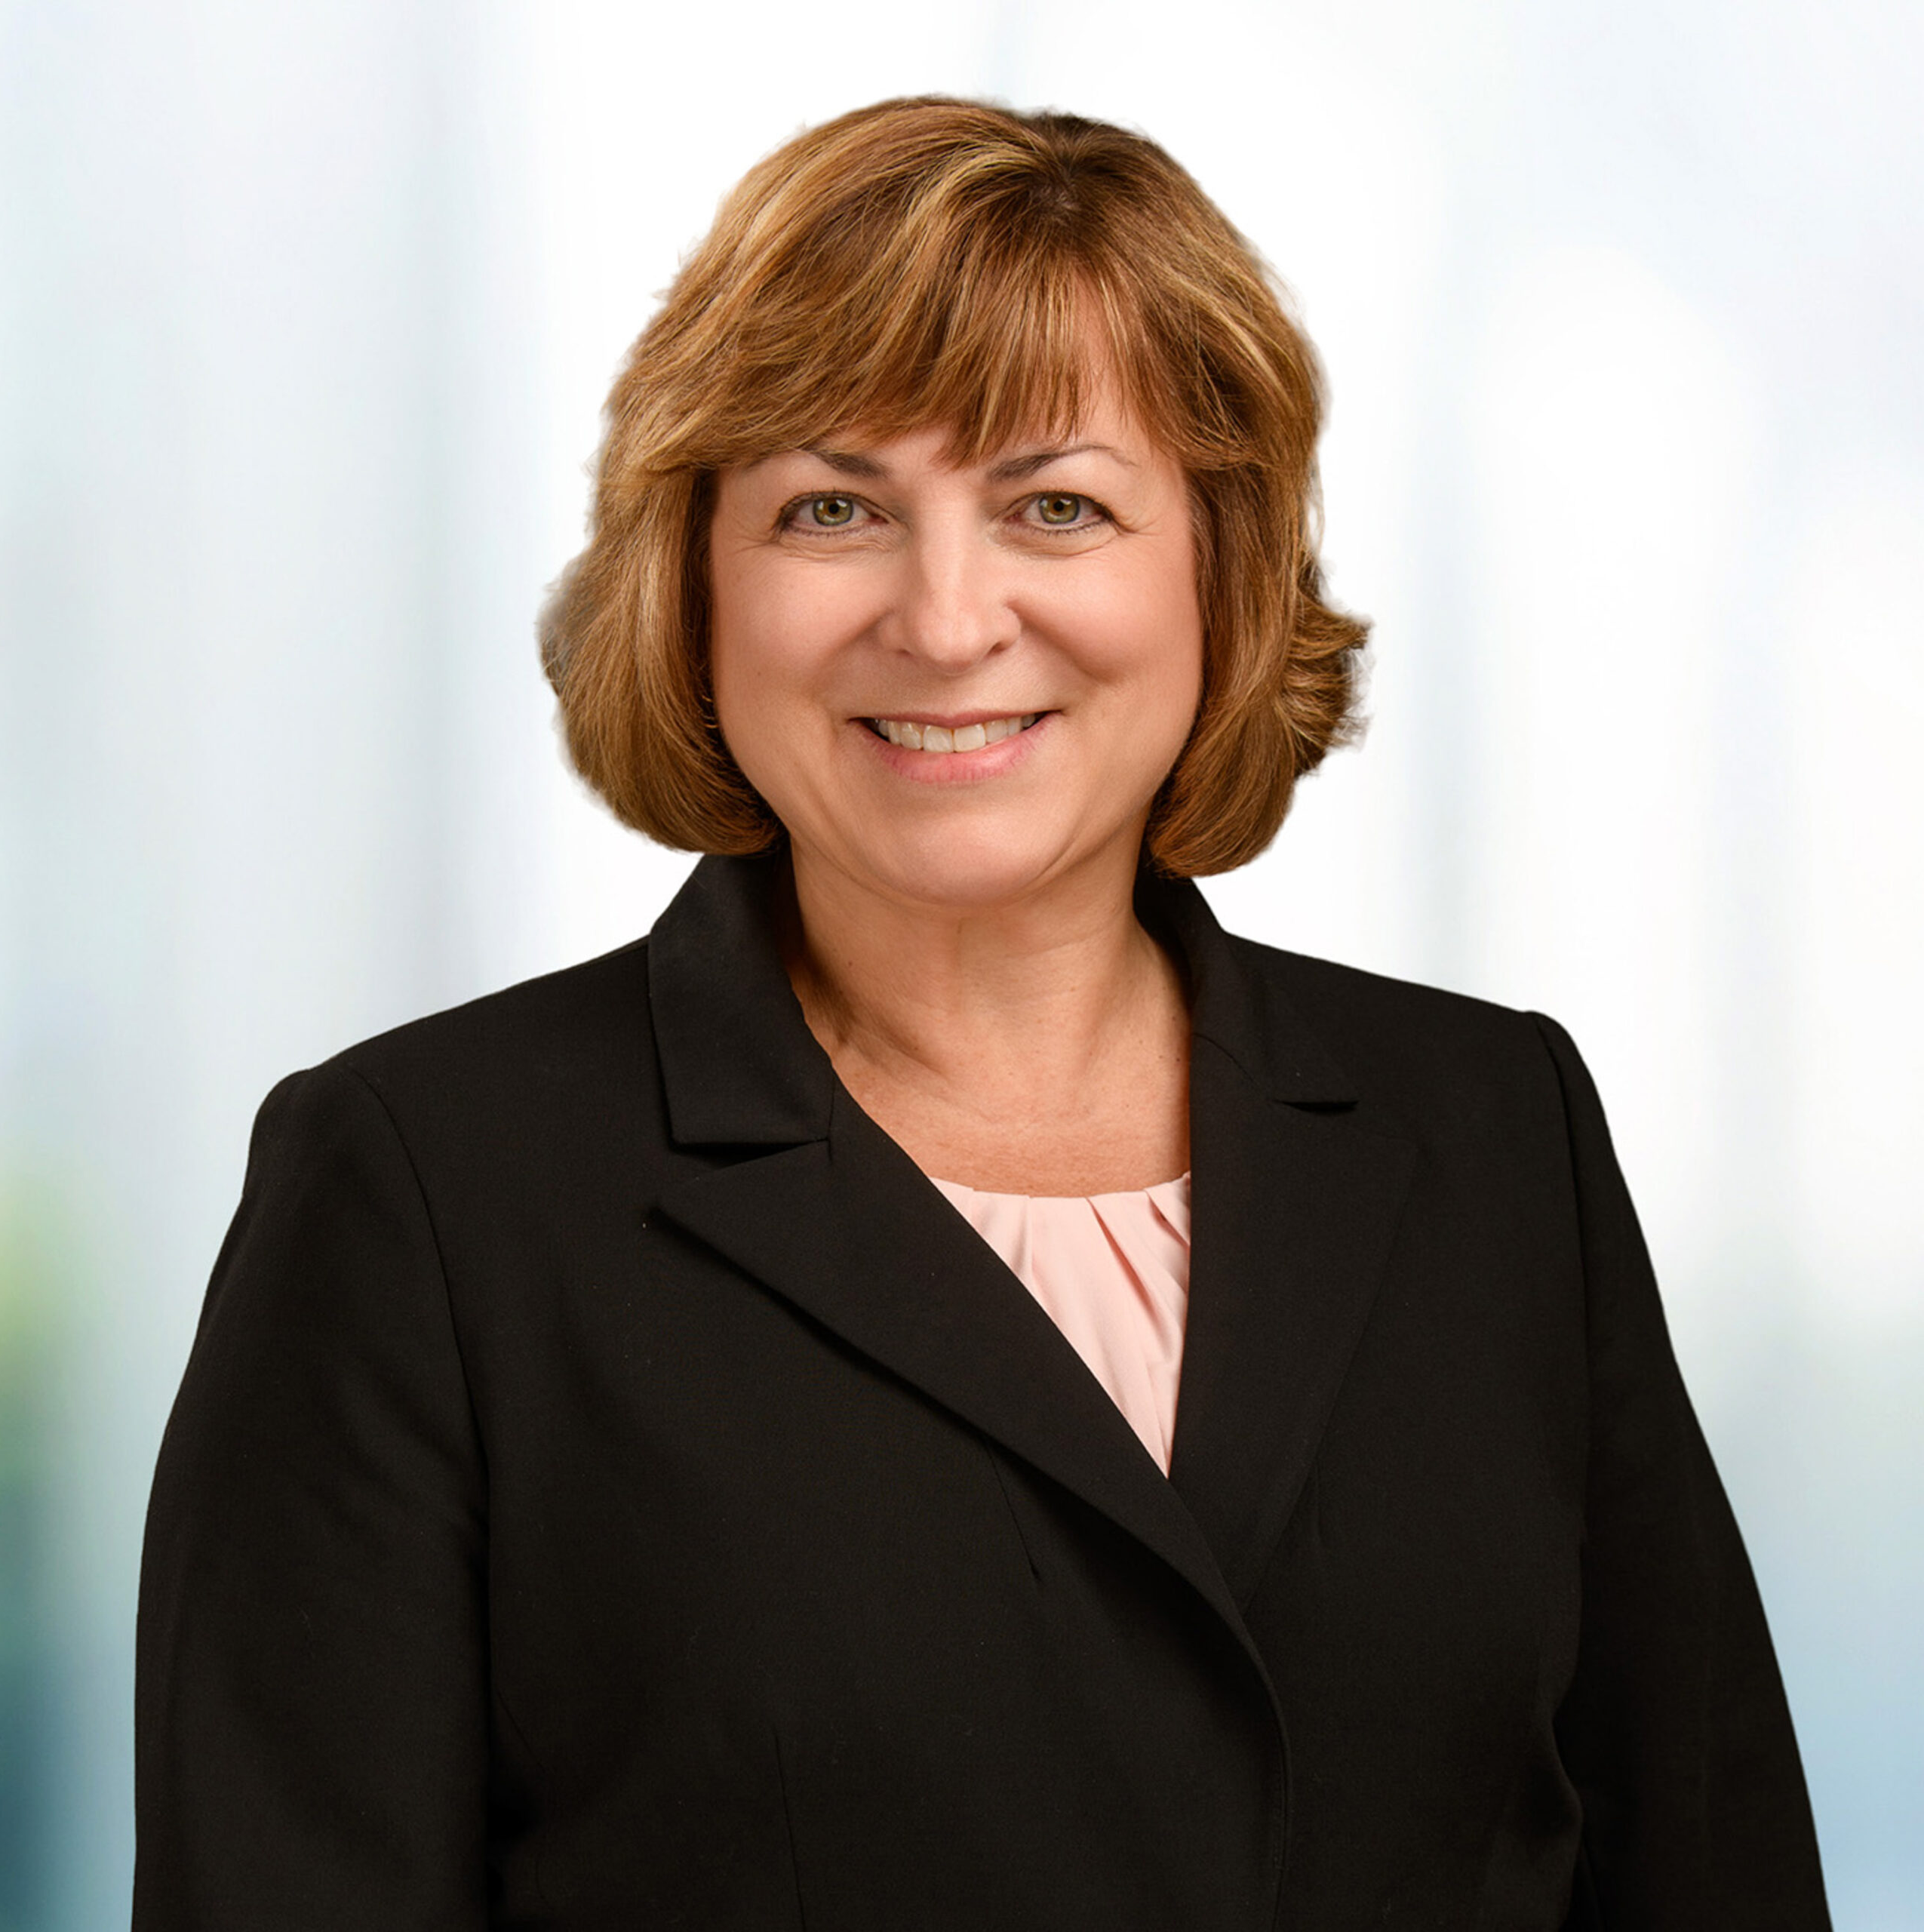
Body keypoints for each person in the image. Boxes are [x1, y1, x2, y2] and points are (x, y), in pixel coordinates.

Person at [134, 97, 1830, 1929]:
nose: (946, 621)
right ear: (696, 581)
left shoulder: (1494, 1128)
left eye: (1057, 504)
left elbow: (1707, 1868)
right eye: (833, 506)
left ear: (1216, 569)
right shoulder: (422, 1192)